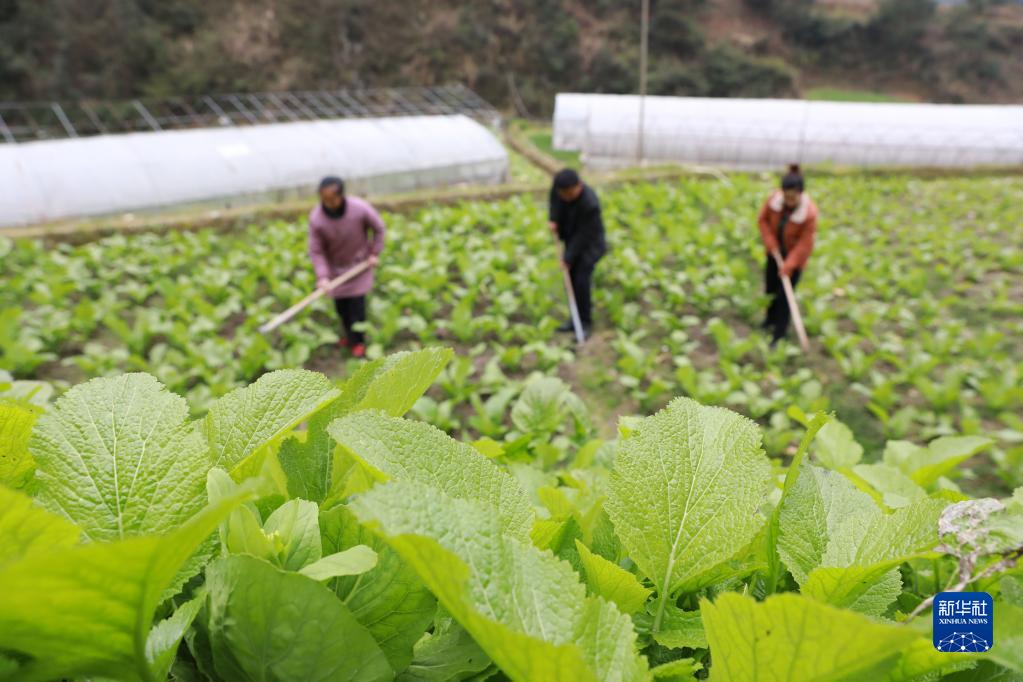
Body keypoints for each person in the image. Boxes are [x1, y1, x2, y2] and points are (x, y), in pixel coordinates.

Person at [308, 176, 385, 358]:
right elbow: (316, 251)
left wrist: (374, 253)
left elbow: (379, 229)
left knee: (357, 308)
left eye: (331, 199)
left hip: (359, 266)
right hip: (336, 271)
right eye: (324, 199)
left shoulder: (360, 209)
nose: (328, 203)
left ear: (341, 195)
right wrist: (323, 276)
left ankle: (358, 342)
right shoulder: (317, 219)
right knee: (341, 309)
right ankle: (349, 337)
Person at [757, 164, 818, 345]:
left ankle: (779, 334)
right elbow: (763, 221)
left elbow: (805, 244)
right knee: (770, 289)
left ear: (801, 193)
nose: (789, 201)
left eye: (793, 198)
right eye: (786, 197)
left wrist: (789, 265)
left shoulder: (809, 214)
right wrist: (771, 243)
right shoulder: (773, 201)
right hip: (774, 253)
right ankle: (769, 320)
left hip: (794, 259)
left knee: (785, 297)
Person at [548, 168, 607, 335]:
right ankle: (574, 319)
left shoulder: (590, 204)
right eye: (562, 194)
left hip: (590, 244)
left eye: (568, 194)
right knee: (571, 280)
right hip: (571, 236)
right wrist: (553, 219)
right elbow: (554, 202)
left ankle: (585, 322)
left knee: (581, 280)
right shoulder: (559, 189)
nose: (565, 197)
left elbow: (583, 236)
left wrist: (567, 258)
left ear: (578, 186)